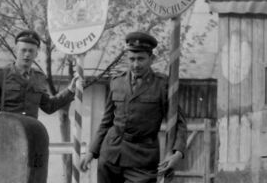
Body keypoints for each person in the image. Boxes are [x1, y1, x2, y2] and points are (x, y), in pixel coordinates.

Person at [79, 31, 187, 183]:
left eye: (141, 59)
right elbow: (106, 122)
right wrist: (91, 151)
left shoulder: (163, 86)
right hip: (111, 155)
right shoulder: (117, 82)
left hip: (143, 159)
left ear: (151, 59)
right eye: (132, 59)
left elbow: (180, 122)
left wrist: (178, 153)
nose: (136, 64)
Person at [0, 29, 80, 120]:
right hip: (6, 134)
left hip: (30, 134)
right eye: (23, 50)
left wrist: (70, 90)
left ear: (36, 54)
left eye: (31, 51)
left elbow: (49, 106)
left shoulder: (39, 77)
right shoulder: (0, 75)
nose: (27, 54)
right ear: (16, 50)